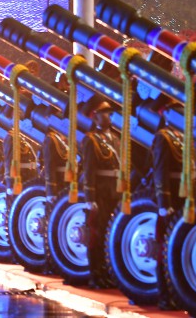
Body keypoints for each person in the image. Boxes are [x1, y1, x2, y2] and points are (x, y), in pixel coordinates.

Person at [80, 96, 120, 289]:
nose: (109, 116)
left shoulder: (115, 138)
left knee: (108, 234)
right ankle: (95, 274)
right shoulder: (91, 140)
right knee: (96, 234)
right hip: (101, 192)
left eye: (109, 113)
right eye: (105, 113)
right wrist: (90, 198)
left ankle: (106, 272)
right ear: (94, 116)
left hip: (114, 191)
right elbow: (88, 170)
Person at [151, 98, 185, 310]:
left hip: (182, 196)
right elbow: (160, 171)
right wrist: (164, 201)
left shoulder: (182, 136)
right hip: (171, 196)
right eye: (177, 111)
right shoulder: (163, 137)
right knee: (164, 249)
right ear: (167, 114)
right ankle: (165, 295)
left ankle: (177, 293)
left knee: (178, 247)